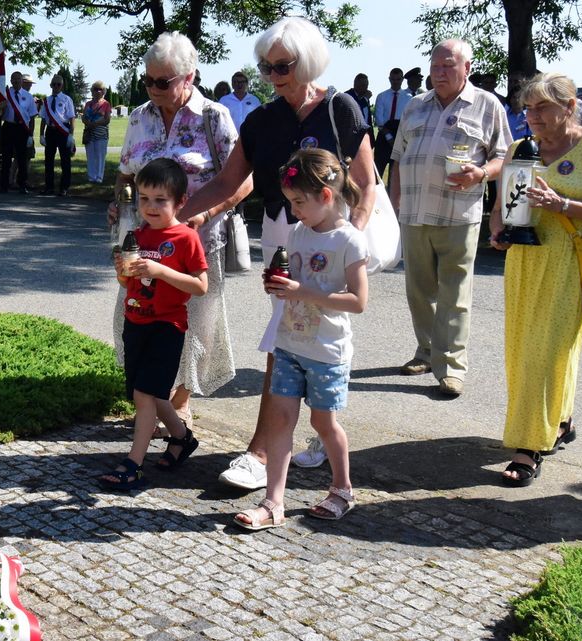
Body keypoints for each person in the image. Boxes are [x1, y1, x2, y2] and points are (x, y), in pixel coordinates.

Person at [181, 17, 377, 489]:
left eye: (283, 66)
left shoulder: (341, 110)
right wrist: (178, 220)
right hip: (281, 236)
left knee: (322, 334)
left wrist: (354, 236)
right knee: (286, 335)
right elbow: (228, 182)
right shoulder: (261, 121)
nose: (273, 76)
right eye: (266, 68)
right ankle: (265, 449)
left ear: (306, 61)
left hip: (334, 241)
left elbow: (367, 182)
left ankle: (311, 434)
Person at [108, 31, 250, 445]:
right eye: (148, 81)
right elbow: (126, 173)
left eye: (163, 82)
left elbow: (244, 178)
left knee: (195, 324)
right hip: (145, 242)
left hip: (196, 242)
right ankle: (149, 397)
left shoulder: (214, 117)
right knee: (136, 313)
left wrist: (205, 214)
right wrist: (118, 205)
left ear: (189, 77)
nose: (153, 89)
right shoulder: (139, 117)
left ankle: (181, 397)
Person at [487, 73, 582, 486]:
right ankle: (560, 421)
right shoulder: (519, 147)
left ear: (569, 107)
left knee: (547, 354)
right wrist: (497, 231)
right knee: (522, 350)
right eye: (528, 109)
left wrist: (561, 203)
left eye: (542, 108)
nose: (531, 116)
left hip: (569, 261)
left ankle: (529, 447)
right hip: (525, 264)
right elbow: (501, 204)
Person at [233, 149, 368, 529]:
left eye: (298, 202)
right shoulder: (296, 233)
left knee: (324, 425)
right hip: (290, 345)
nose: (293, 211)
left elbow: (358, 301)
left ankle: (342, 489)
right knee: (280, 422)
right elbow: (290, 282)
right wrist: (276, 286)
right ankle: (273, 503)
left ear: (326, 196)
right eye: (290, 202)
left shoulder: (349, 241)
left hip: (327, 350)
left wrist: (300, 290)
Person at [390, 39, 512, 397]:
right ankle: (426, 351)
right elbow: (397, 157)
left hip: (458, 214)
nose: (439, 73)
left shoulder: (487, 105)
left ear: (467, 68)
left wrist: (480, 173)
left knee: (455, 293)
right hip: (413, 212)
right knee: (418, 292)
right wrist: (395, 203)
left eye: (448, 66)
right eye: (435, 66)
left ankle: (452, 367)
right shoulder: (415, 105)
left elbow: (504, 156)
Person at [99, 158, 208, 491]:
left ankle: (133, 464)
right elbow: (126, 283)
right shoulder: (138, 234)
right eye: (144, 199)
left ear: (180, 202)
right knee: (148, 392)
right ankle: (181, 437)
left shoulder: (185, 237)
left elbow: (200, 285)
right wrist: (122, 269)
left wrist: (161, 271)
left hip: (167, 326)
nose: (151, 206)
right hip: (136, 323)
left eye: (160, 200)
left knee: (144, 394)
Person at [0, 71, 38, 194]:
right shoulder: (5, 94)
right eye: (13, 79)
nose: (16, 81)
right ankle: (4, 185)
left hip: (22, 129)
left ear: (22, 81)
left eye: (18, 79)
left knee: (22, 158)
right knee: (6, 157)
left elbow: (32, 118)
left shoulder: (28, 96)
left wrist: (30, 134)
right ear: (10, 81)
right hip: (8, 127)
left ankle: (22, 184)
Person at [39, 74, 75, 196]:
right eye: (54, 84)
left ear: (62, 86)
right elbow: (43, 118)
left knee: (65, 161)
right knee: (48, 160)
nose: (56, 86)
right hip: (50, 131)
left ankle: (64, 188)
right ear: (50, 85)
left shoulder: (67, 99)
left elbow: (72, 118)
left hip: (63, 131)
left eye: (58, 84)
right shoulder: (47, 100)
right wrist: (41, 135)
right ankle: (49, 187)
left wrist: (71, 135)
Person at [373, 67, 410, 178]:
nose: (395, 82)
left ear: (402, 79)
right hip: (384, 135)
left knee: (395, 174)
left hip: (399, 135)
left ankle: (391, 194)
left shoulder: (408, 98)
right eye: (393, 79)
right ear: (389, 79)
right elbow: (379, 119)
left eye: (398, 79)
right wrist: (388, 136)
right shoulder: (382, 96)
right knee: (377, 172)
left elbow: (407, 119)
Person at [81, 80, 111, 184]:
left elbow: (107, 119)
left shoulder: (106, 104)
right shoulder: (88, 104)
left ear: (103, 92)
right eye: (95, 89)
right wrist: (87, 122)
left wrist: (96, 124)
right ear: (92, 91)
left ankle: (99, 177)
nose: (98, 91)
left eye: (100, 89)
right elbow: (83, 117)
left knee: (100, 156)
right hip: (89, 133)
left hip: (101, 134)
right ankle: (91, 176)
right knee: (90, 155)